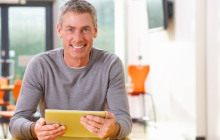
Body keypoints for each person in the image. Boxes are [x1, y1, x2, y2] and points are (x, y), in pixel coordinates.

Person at [9, 0, 132, 139]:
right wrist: (34, 130)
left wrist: (115, 129)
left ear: (95, 31)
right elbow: (16, 122)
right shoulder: (40, 65)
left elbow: (124, 120)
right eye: (70, 29)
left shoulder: (111, 64)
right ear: (59, 30)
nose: (78, 39)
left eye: (85, 29)